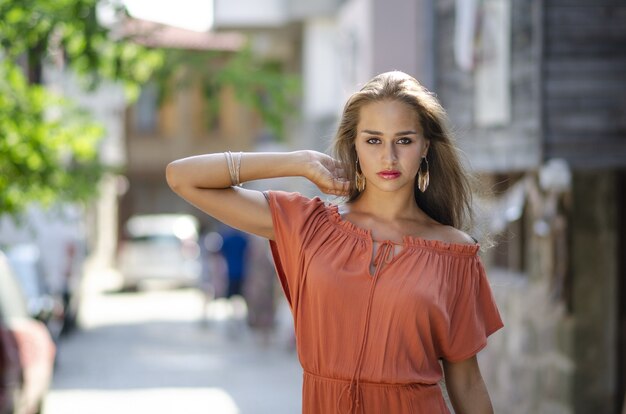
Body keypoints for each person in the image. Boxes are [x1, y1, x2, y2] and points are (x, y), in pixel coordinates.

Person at [166, 71, 503, 413]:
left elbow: (467, 382)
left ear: (425, 146)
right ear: (354, 144)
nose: (389, 157)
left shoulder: (454, 252)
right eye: (373, 140)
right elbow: (182, 177)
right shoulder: (309, 225)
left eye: (404, 140)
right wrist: (298, 162)